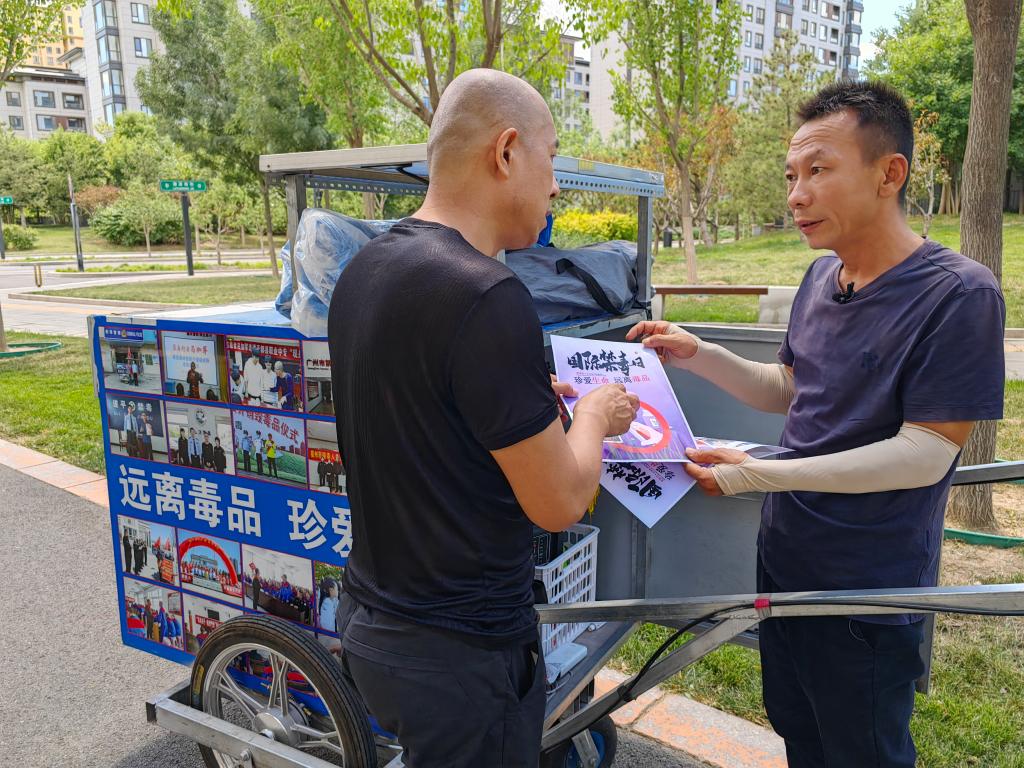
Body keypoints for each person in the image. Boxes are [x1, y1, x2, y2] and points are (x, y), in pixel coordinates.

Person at [629, 81, 1005, 768]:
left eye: (819, 170)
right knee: (799, 731)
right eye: (791, 175)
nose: (797, 195)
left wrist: (757, 476)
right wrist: (699, 354)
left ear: (890, 173)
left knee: (862, 750)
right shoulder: (819, 280)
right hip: (785, 561)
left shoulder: (958, 294)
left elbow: (925, 452)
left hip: (864, 588)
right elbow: (792, 390)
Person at [328, 69, 639, 768]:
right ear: (506, 152)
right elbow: (560, 502)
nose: (556, 185)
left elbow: (424, 408)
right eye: (550, 157)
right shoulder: (487, 294)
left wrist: (521, 397)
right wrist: (593, 415)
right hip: (462, 656)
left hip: (374, 624)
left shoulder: (366, 269)